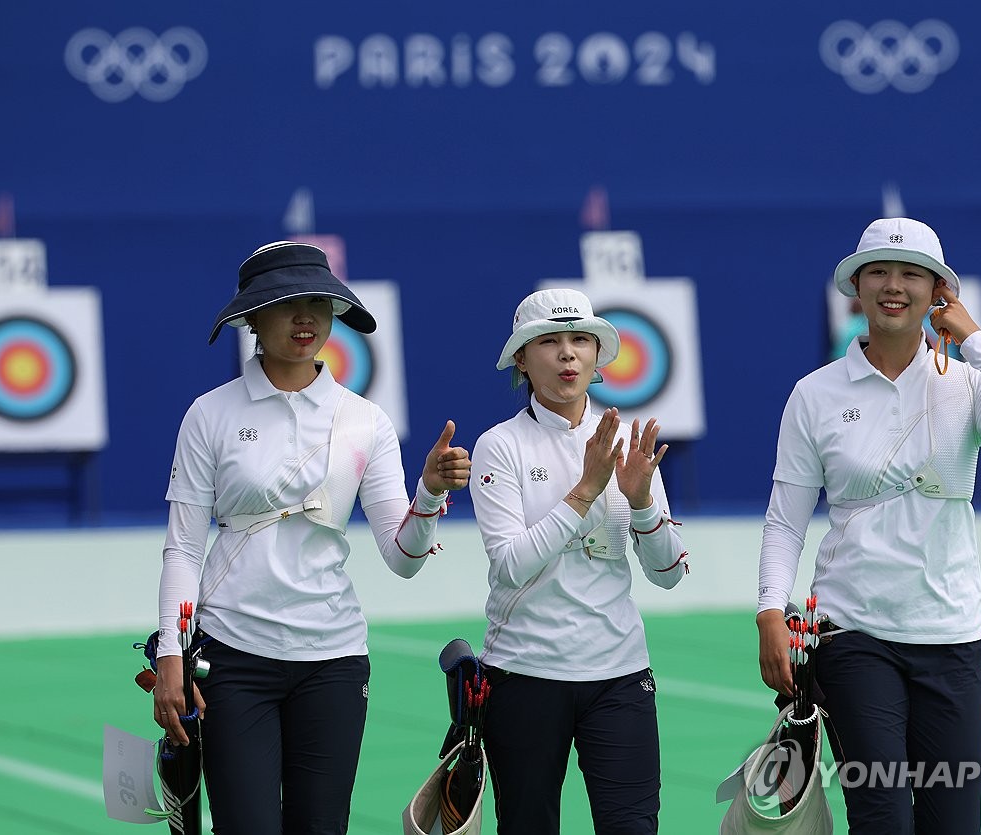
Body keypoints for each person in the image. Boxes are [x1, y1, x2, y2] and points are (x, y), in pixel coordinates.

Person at [152, 241, 471, 835]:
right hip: (233, 655)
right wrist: (172, 651)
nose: (306, 318)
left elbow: (401, 558)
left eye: (319, 303)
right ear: (251, 317)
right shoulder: (209, 415)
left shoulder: (365, 420)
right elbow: (184, 547)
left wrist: (427, 494)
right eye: (287, 303)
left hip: (334, 660)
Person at [755, 218, 981, 834]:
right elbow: (786, 520)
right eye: (880, 273)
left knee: (953, 823)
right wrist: (769, 612)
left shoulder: (969, 384)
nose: (895, 287)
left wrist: (974, 338)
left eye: (912, 275)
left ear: (937, 292)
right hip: (854, 633)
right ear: (857, 287)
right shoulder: (814, 394)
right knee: (882, 816)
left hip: (952, 633)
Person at [469, 288, 690, 834]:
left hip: (619, 673)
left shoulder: (628, 441)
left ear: (596, 355)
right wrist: (587, 490)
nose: (567, 354)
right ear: (522, 359)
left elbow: (668, 574)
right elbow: (510, 565)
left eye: (579, 340)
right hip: (525, 673)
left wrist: (640, 502)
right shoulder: (500, 446)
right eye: (549, 342)